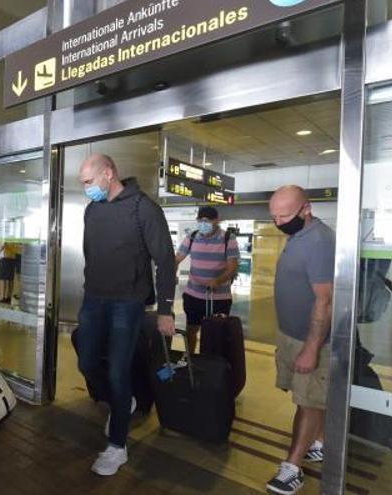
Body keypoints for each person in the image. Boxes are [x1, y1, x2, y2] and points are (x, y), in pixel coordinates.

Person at [75, 154, 176, 476]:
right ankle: (123, 402)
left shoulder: (144, 208)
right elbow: (91, 253)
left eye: (88, 182)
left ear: (108, 173)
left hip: (127, 303)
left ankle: (117, 447)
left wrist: (165, 310)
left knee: (118, 371)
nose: (86, 189)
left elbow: (166, 260)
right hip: (94, 299)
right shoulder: (93, 209)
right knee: (87, 362)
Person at [265, 185, 335, 495]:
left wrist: (311, 348)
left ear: (306, 208)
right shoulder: (298, 234)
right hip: (292, 335)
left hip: (312, 339)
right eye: (274, 216)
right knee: (310, 397)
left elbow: (326, 300)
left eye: (285, 215)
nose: (279, 222)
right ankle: (318, 443)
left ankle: (293, 468)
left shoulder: (319, 241)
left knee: (308, 402)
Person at [174, 206, 240, 352]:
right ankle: (189, 358)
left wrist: (218, 280)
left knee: (215, 332)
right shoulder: (191, 237)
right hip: (193, 295)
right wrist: (172, 271)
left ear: (217, 220)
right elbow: (177, 258)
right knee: (191, 329)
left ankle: (213, 364)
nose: (203, 224)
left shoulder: (228, 238)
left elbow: (232, 267)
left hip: (219, 298)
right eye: (200, 220)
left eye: (208, 221)